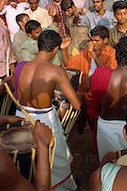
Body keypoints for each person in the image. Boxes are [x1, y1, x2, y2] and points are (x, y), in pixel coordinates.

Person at [16, 30, 81, 190]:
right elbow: (76, 105)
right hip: (44, 119)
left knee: (28, 157)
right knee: (56, 159)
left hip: (21, 116)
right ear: (55, 50)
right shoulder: (56, 71)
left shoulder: (22, 66)